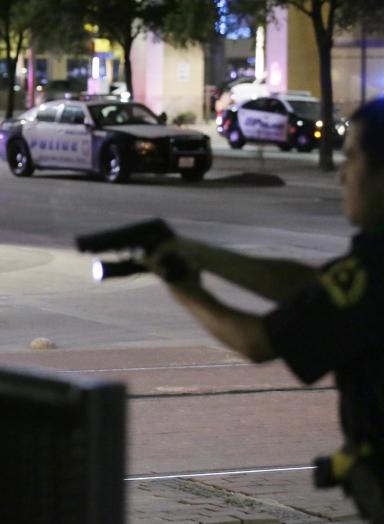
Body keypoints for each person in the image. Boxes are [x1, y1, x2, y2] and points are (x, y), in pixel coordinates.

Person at [147, 98, 384, 519]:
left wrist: (185, 290)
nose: (342, 176)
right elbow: (312, 288)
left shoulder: (375, 271)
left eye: (353, 158)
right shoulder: (369, 265)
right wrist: (204, 256)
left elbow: (259, 341)